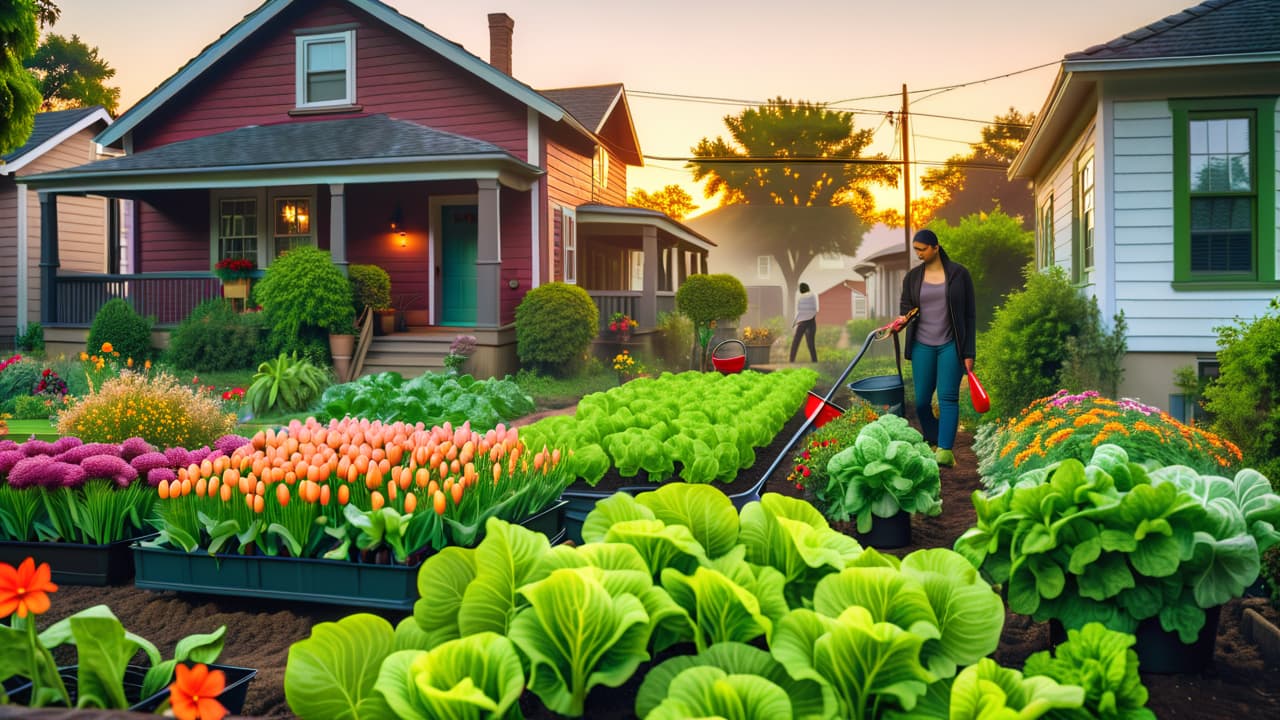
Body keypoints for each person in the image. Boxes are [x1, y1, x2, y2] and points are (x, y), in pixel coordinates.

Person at [895, 229, 975, 467]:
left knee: (948, 397)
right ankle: (936, 438)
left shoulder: (959, 274)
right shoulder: (912, 277)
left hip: (951, 344)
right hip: (922, 345)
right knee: (921, 402)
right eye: (916, 250)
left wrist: (969, 352)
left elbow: (970, 315)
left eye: (922, 249)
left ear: (935, 247)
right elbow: (906, 307)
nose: (918, 254)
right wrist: (901, 322)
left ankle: (945, 450)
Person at [790, 282, 819, 363]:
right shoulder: (813, 296)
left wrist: (795, 323)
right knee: (811, 344)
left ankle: (791, 360)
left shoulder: (801, 298)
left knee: (795, 342)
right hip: (812, 322)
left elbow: (800, 312)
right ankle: (815, 361)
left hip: (803, 322)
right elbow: (816, 310)